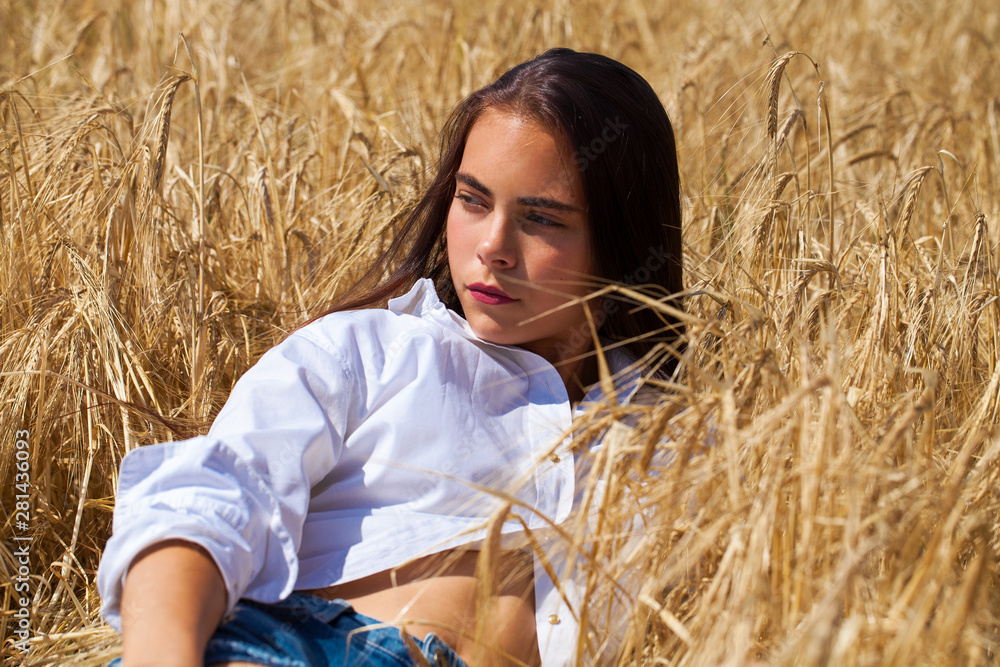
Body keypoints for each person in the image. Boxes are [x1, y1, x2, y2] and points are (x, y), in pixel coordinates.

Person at [97, 47, 685, 667]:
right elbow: (208, 502)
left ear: (621, 238)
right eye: (474, 200)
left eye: (541, 219)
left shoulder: (671, 436)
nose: (492, 247)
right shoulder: (367, 352)